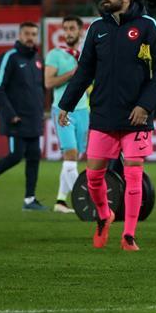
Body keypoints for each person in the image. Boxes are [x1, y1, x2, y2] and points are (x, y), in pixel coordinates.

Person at [58, 0, 156, 251]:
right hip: (103, 116)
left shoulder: (147, 27)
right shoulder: (98, 29)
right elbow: (84, 71)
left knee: (133, 174)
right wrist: (66, 104)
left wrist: (145, 105)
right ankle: (104, 215)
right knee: (94, 176)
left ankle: (129, 235)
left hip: (136, 117)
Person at [0, 22, 47, 211]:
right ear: (19, 35)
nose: (30, 37)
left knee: (34, 156)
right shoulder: (9, 57)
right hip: (16, 118)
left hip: (33, 118)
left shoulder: (37, 59)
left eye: (33, 34)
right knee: (15, 155)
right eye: (27, 33)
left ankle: (30, 199)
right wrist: (10, 114)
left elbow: (38, 89)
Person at [45, 16, 90, 213]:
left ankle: (60, 201)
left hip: (83, 110)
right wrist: (72, 74)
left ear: (80, 31)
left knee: (74, 158)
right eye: (66, 29)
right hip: (62, 110)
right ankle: (85, 201)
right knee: (70, 153)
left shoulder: (87, 55)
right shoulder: (55, 55)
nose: (69, 32)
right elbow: (48, 83)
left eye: (72, 28)